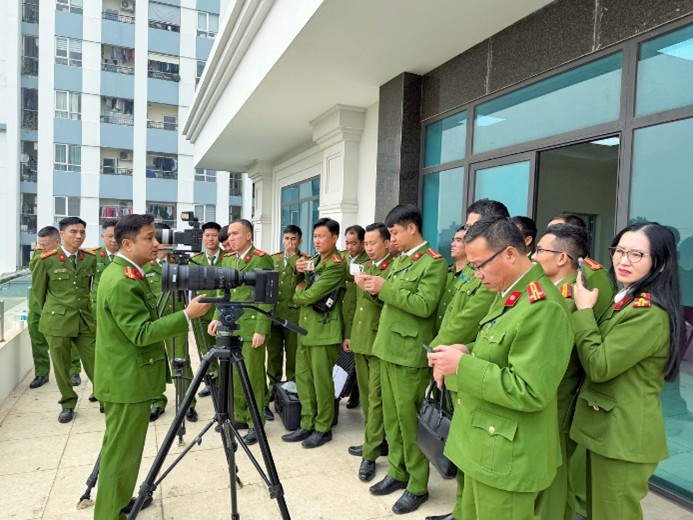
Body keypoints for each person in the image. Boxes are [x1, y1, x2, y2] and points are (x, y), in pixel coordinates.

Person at [427, 216, 573, 520]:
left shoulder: (543, 307)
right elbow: (501, 350)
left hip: (507, 456)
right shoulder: (510, 292)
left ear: (509, 254)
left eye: (479, 265)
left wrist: (463, 366)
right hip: (483, 444)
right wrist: (467, 350)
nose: (476, 274)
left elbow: (529, 390)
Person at [93, 213, 210, 519]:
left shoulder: (128, 272)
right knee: (120, 456)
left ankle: (119, 503)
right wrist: (187, 315)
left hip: (125, 376)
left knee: (123, 453)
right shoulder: (122, 281)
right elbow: (142, 332)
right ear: (127, 244)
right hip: (126, 381)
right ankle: (109, 514)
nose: (156, 243)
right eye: (149, 238)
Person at [571, 221, 681, 520]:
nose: (623, 260)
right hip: (606, 430)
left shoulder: (648, 314)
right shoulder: (626, 300)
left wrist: (584, 311)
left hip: (623, 438)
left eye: (636, 254)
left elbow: (599, 366)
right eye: (619, 251)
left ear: (660, 264)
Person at [363, 204, 447, 515]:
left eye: (395, 232)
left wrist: (385, 287)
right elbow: (394, 300)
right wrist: (376, 289)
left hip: (409, 353)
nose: (393, 238)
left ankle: (417, 484)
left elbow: (424, 305)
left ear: (412, 228)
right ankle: (398, 471)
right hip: (387, 348)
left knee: (410, 422)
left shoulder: (433, 263)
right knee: (392, 418)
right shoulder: (401, 260)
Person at [424, 206, 501, 520]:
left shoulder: (491, 276)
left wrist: (439, 355)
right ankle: (461, 510)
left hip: (471, 372)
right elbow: (453, 316)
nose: (466, 233)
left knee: (472, 453)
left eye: (473, 227)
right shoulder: (471, 269)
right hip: (457, 364)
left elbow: (467, 320)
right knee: (461, 449)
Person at [531, 224, 613, 520]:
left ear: (562, 257)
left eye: (540, 250)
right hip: (546, 395)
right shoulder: (545, 290)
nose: (534, 255)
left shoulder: (570, 298)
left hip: (559, 398)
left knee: (552, 474)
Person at [208, 219, 275, 444]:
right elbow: (223, 292)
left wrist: (261, 329)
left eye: (235, 234)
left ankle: (256, 423)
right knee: (235, 375)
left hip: (251, 327)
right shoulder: (229, 259)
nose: (231, 238)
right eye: (230, 234)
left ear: (248, 235)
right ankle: (240, 416)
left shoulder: (261, 258)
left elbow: (267, 297)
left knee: (252, 377)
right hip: (232, 325)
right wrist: (216, 317)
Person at [282, 217, 346, 448]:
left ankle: (323, 427)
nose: (317, 241)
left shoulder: (336, 265)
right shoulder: (315, 260)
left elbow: (308, 296)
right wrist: (297, 272)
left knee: (321, 382)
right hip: (305, 329)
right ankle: (307, 422)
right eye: (315, 236)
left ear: (334, 238)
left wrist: (300, 292)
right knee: (304, 378)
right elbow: (296, 279)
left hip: (323, 331)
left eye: (321, 236)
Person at [32, 217, 97, 423]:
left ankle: (104, 396)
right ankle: (68, 403)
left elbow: (90, 288)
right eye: (73, 232)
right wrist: (55, 312)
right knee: (62, 366)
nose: (79, 236)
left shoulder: (89, 258)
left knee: (96, 361)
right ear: (61, 234)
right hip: (57, 322)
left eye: (82, 232)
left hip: (84, 320)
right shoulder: (46, 260)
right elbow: (39, 294)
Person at [348, 222, 393, 482]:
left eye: (373, 243)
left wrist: (367, 289)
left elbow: (385, 301)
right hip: (361, 338)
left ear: (387, 243)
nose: (368, 248)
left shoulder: (391, 269)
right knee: (367, 397)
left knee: (376, 398)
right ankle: (373, 440)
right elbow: (355, 306)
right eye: (366, 243)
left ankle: (371, 454)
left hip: (378, 342)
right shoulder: (366, 267)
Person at [143, 224, 198, 423]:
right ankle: (156, 401)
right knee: (154, 362)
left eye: (164, 240)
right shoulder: (143, 265)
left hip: (176, 318)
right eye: (155, 239)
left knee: (181, 361)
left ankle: (187, 403)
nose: (159, 244)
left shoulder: (179, 263)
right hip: (153, 321)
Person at [27, 226, 79, 388]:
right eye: (40, 244)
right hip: (37, 306)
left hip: (60, 308)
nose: (41, 247)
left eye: (45, 245)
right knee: (37, 341)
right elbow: (33, 270)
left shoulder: (69, 256)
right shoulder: (38, 253)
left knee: (68, 341)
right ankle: (41, 373)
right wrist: (42, 253)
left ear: (57, 241)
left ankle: (74, 371)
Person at [266, 225, 305, 408]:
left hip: (293, 316)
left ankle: (292, 388)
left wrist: (293, 255)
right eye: (287, 238)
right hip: (274, 314)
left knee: (293, 355)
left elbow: (303, 276)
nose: (289, 242)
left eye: (293, 239)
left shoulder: (304, 260)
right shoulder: (274, 258)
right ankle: (273, 388)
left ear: (300, 241)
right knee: (273, 355)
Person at [190, 221, 224, 399]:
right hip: (201, 313)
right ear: (202, 238)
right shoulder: (195, 260)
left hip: (222, 312)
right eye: (207, 235)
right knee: (206, 349)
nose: (211, 239)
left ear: (219, 237)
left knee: (225, 348)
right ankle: (212, 382)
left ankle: (226, 382)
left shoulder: (228, 257)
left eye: (214, 235)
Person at [341, 224, 369, 409]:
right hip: (341, 311)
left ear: (362, 243)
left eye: (354, 243)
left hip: (357, 313)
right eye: (347, 243)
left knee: (358, 361)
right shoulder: (341, 257)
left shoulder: (367, 262)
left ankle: (355, 393)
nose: (350, 247)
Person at [88, 219, 120, 314]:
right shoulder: (92, 255)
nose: (114, 240)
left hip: (120, 305)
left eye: (117, 236)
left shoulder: (130, 256)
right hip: (97, 306)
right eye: (110, 236)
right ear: (102, 236)